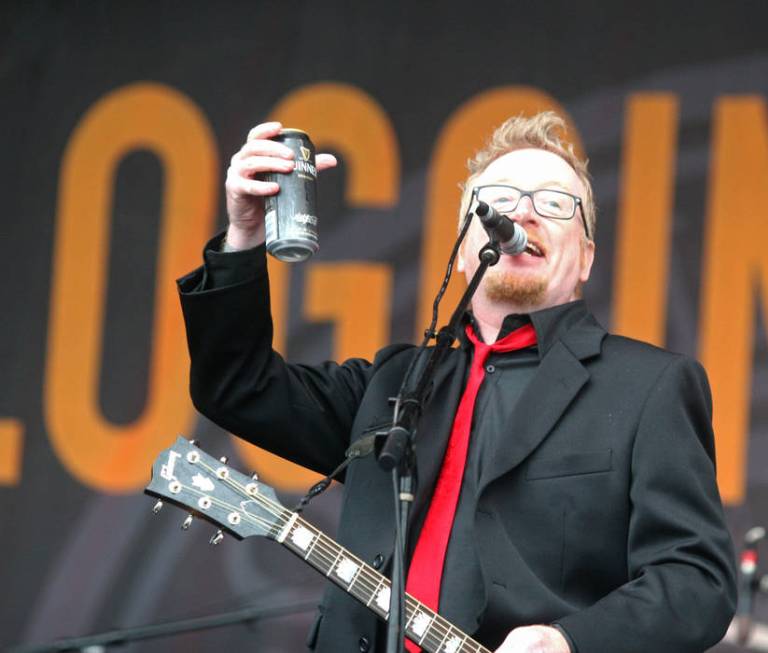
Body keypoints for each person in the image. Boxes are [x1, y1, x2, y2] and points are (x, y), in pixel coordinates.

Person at [178, 112, 736, 652]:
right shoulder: (394, 384)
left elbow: (697, 582)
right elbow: (237, 385)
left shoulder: (647, 386)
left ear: (586, 257)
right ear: (466, 249)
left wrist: (568, 641)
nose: (524, 215)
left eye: (554, 203)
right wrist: (244, 234)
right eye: (499, 203)